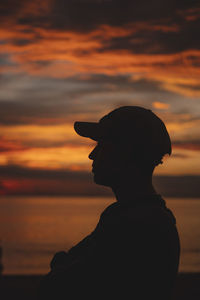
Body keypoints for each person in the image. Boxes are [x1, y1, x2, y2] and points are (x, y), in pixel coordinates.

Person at [37, 106, 180, 300]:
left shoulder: (137, 226)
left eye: (102, 145)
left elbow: (58, 284)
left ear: (126, 152)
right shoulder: (124, 215)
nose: (92, 155)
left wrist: (64, 266)